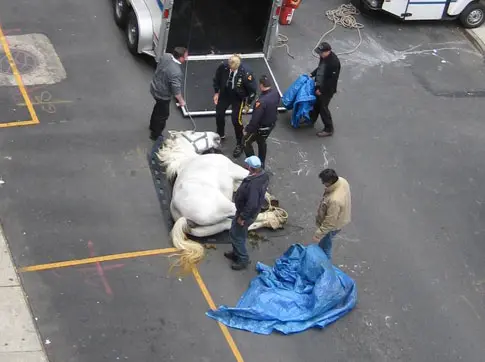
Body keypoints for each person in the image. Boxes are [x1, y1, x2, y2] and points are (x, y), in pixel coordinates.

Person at [225, 156, 269, 270]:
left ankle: (243, 259)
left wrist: (243, 217)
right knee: (237, 233)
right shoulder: (262, 175)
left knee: (236, 235)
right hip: (244, 212)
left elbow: (252, 203)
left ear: (250, 167)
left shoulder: (254, 184)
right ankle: (236, 253)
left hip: (245, 215)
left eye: (247, 165)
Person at [213, 54, 257, 158]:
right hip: (225, 93)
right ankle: (220, 134)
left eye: (233, 69)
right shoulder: (224, 66)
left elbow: (252, 90)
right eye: (230, 68)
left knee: (236, 120)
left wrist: (248, 104)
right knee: (219, 114)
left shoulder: (246, 73)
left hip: (238, 96)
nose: (231, 70)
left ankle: (240, 143)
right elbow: (217, 79)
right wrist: (216, 92)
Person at [149, 47, 188, 141]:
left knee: (157, 108)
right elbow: (176, 91)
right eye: (186, 56)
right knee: (163, 115)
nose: (187, 58)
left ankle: (152, 126)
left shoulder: (166, 56)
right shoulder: (176, 72)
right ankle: (156, 135)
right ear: (181, 58)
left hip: (154, 86)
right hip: (162, 95)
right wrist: (181, 101)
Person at [242, 75, 280, 169]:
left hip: (260, 127)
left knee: (246, 142)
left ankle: (254, 165)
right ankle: (261, 163)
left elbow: (255, 119)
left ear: (261, 85)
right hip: (271, 124)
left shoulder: (261, 101)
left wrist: (248, 129)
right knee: (262, 141)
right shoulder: (276, 93)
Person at [312, 169, 351, 260]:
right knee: (325, 244)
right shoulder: (342, 181)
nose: (323, 184)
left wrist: (318, 234)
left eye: (324, 182)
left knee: (325, 246)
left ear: (330, 182)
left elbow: (330, 221)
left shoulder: (334, 200)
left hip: (334, 226)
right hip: (341, 216)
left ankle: (326, 267)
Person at [310, 42, 341, 137]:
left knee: (323, 108)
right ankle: (311, 119)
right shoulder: (323, 57)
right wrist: (312, 74)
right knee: (316, 104)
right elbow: (320, 68)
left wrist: (321, 90)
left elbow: (330, 81)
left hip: (327, 90)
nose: (320, 54)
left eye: (321, 53)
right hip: (320, 85)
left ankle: (329, 128)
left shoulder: (333, 63)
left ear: (328, 51)